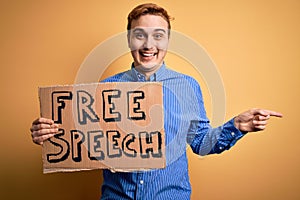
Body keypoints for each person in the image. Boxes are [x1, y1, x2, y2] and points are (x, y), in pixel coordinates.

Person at [30, 3, 282, 200]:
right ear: (129, 40)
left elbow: (202, 143)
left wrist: (236, 126)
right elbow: (83, 141)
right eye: (140, 35)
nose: (149, 44)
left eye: (158, 36)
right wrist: (53, 133)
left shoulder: (187, 87)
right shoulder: (103, 90)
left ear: (167, 41)